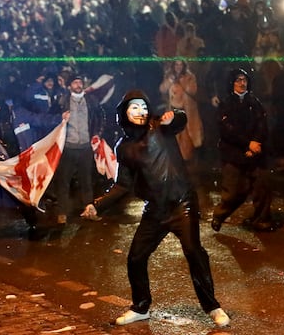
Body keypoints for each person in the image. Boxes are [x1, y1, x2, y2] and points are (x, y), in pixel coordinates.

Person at [81, 90, 230, 328]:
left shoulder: (160, 126)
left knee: (194, 251)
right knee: (136, 257)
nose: (140, 112)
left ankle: (212, 307)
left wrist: (176, 116)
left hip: (182, 204)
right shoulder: (124, 147)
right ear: (124, 113)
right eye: (134, 108)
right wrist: (97, 205)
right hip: (155, 211)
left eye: (143, 106)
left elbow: (180, 119)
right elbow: (122, 185)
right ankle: (140, 307)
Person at [0, 90, 65, 242]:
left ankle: (34, 228)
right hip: (2, 166)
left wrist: (60, 118)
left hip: (20, 164)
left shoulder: (19, 114)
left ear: (1, 106)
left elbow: (39, 119)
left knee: (23, 197)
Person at [211, 68, 273, 232]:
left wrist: (256, 143)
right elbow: (227, 130)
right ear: (232, 83)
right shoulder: (226, 104)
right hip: (234, 153)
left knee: (262, 184)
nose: (242, 83)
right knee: (234, 192)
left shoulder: (254, 102)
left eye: (244, 80)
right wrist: (247, 144)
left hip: (255, 151)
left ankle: (262, 219)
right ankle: (219, 215)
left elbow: (262, 124)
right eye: (238, 80)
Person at [53, 75, 104, 224]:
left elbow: (101, 116)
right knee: (64, 181)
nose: (78, 84)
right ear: (69, 86)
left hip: (85, 147)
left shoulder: (91, 100)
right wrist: (59, 118)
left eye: (80, 82)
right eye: (75, 82)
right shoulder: (62, 101)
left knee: (86, 180)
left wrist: (97, 133)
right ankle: (62, 213)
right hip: (68, 147)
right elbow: (51, 118)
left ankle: (89, 209)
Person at [159, 59, 203, 162]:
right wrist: (169, 81)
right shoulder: (169, 76)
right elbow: (162, 89)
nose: (178, 67)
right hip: (172, 111)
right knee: (174, 137)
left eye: (180, 64)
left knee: (186, 138)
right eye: (176, 64)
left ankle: (187, 160)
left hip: (186, 112)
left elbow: (193, 91)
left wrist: (183, 83)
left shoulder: (190, 77)